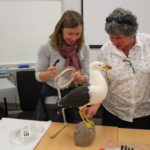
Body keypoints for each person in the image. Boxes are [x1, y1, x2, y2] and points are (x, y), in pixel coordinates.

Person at [83, 8, 150, 129]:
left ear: (132, 34)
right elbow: (102, 82)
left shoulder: (148, 44)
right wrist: (95, 104)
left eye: (118, 38)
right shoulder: (106, 50)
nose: (113, 42)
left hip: (144, 114)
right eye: (110, 37)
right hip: (114, 114)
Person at [34, 10, 89, 122]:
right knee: (55, 127)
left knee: (75, 128)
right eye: (70, 34)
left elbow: (87, 76)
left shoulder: (84, 47)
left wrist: (80, 78)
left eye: (77, 34)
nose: (74, 38)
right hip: (53, 91)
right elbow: (38, 76)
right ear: (60, 30)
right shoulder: (47, 46)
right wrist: (49, 74)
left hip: (74, 92)